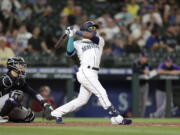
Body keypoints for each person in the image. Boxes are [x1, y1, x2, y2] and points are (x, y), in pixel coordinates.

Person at [51, 21, 132, 125]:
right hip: (85, 71)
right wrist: (71, 36)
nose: (94, 29)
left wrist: (75, 31)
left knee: (81, 100)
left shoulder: (99, 41)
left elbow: (89, 36)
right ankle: (117, 117)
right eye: (92, 27)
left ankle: (56, 113)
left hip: (93, 73)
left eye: (95, 28)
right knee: (101, 92)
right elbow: (70, 52)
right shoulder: (77, 43)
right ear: (86, 29)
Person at [0, 57, 53, 123]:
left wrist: (44, 103)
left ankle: (9, 118)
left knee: (30, 116)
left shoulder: (20, 80)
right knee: (17, 94)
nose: (22, 66)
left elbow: (32, 93)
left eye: (22, 64)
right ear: (12, 65)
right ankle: (1, 116)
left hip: (9, 107)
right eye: (19, 64)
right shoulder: (5, 79)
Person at [132, 53, 151, 117]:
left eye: (146, 57)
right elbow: (135, 70)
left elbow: (149, 71)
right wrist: (143, 71)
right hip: (137, 85)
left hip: (145, 85)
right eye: (144, 57)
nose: (145, 59)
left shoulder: (147, 64)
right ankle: (136, 116)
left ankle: (141, 117)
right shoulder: (135, 63)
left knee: (143, 103)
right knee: (138, 103)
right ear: (140, 57)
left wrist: (146, 72)